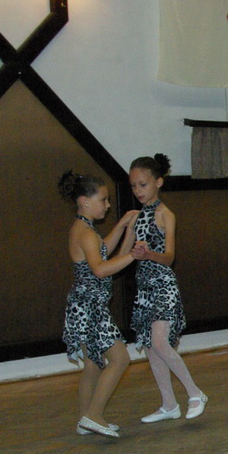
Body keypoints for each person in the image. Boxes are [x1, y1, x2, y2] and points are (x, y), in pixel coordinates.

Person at [128, 154, 209, 423]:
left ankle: (195, 393)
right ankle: (169, 404)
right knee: (151, 348)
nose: (138, 190)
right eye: (133, 186)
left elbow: (169, 257)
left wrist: (148, 254)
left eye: (143, 184)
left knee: (160, 342)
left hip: (163, 285)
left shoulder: (166, 215)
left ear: (158, 182)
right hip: (144, 289)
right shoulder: (137, 216)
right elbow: (126, 251)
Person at [59, 172, 138, 438]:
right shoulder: (86, 233)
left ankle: (85, 420)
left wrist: (123, 226)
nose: (107, 205)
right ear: (84, 201)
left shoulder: (83, 229)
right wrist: (132, 255)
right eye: (103, 200)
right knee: (120, 359)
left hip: (83, 306)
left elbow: (103, 248)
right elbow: (101, 269)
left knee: (93, 365)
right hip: (90, 307)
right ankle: (93, 415)